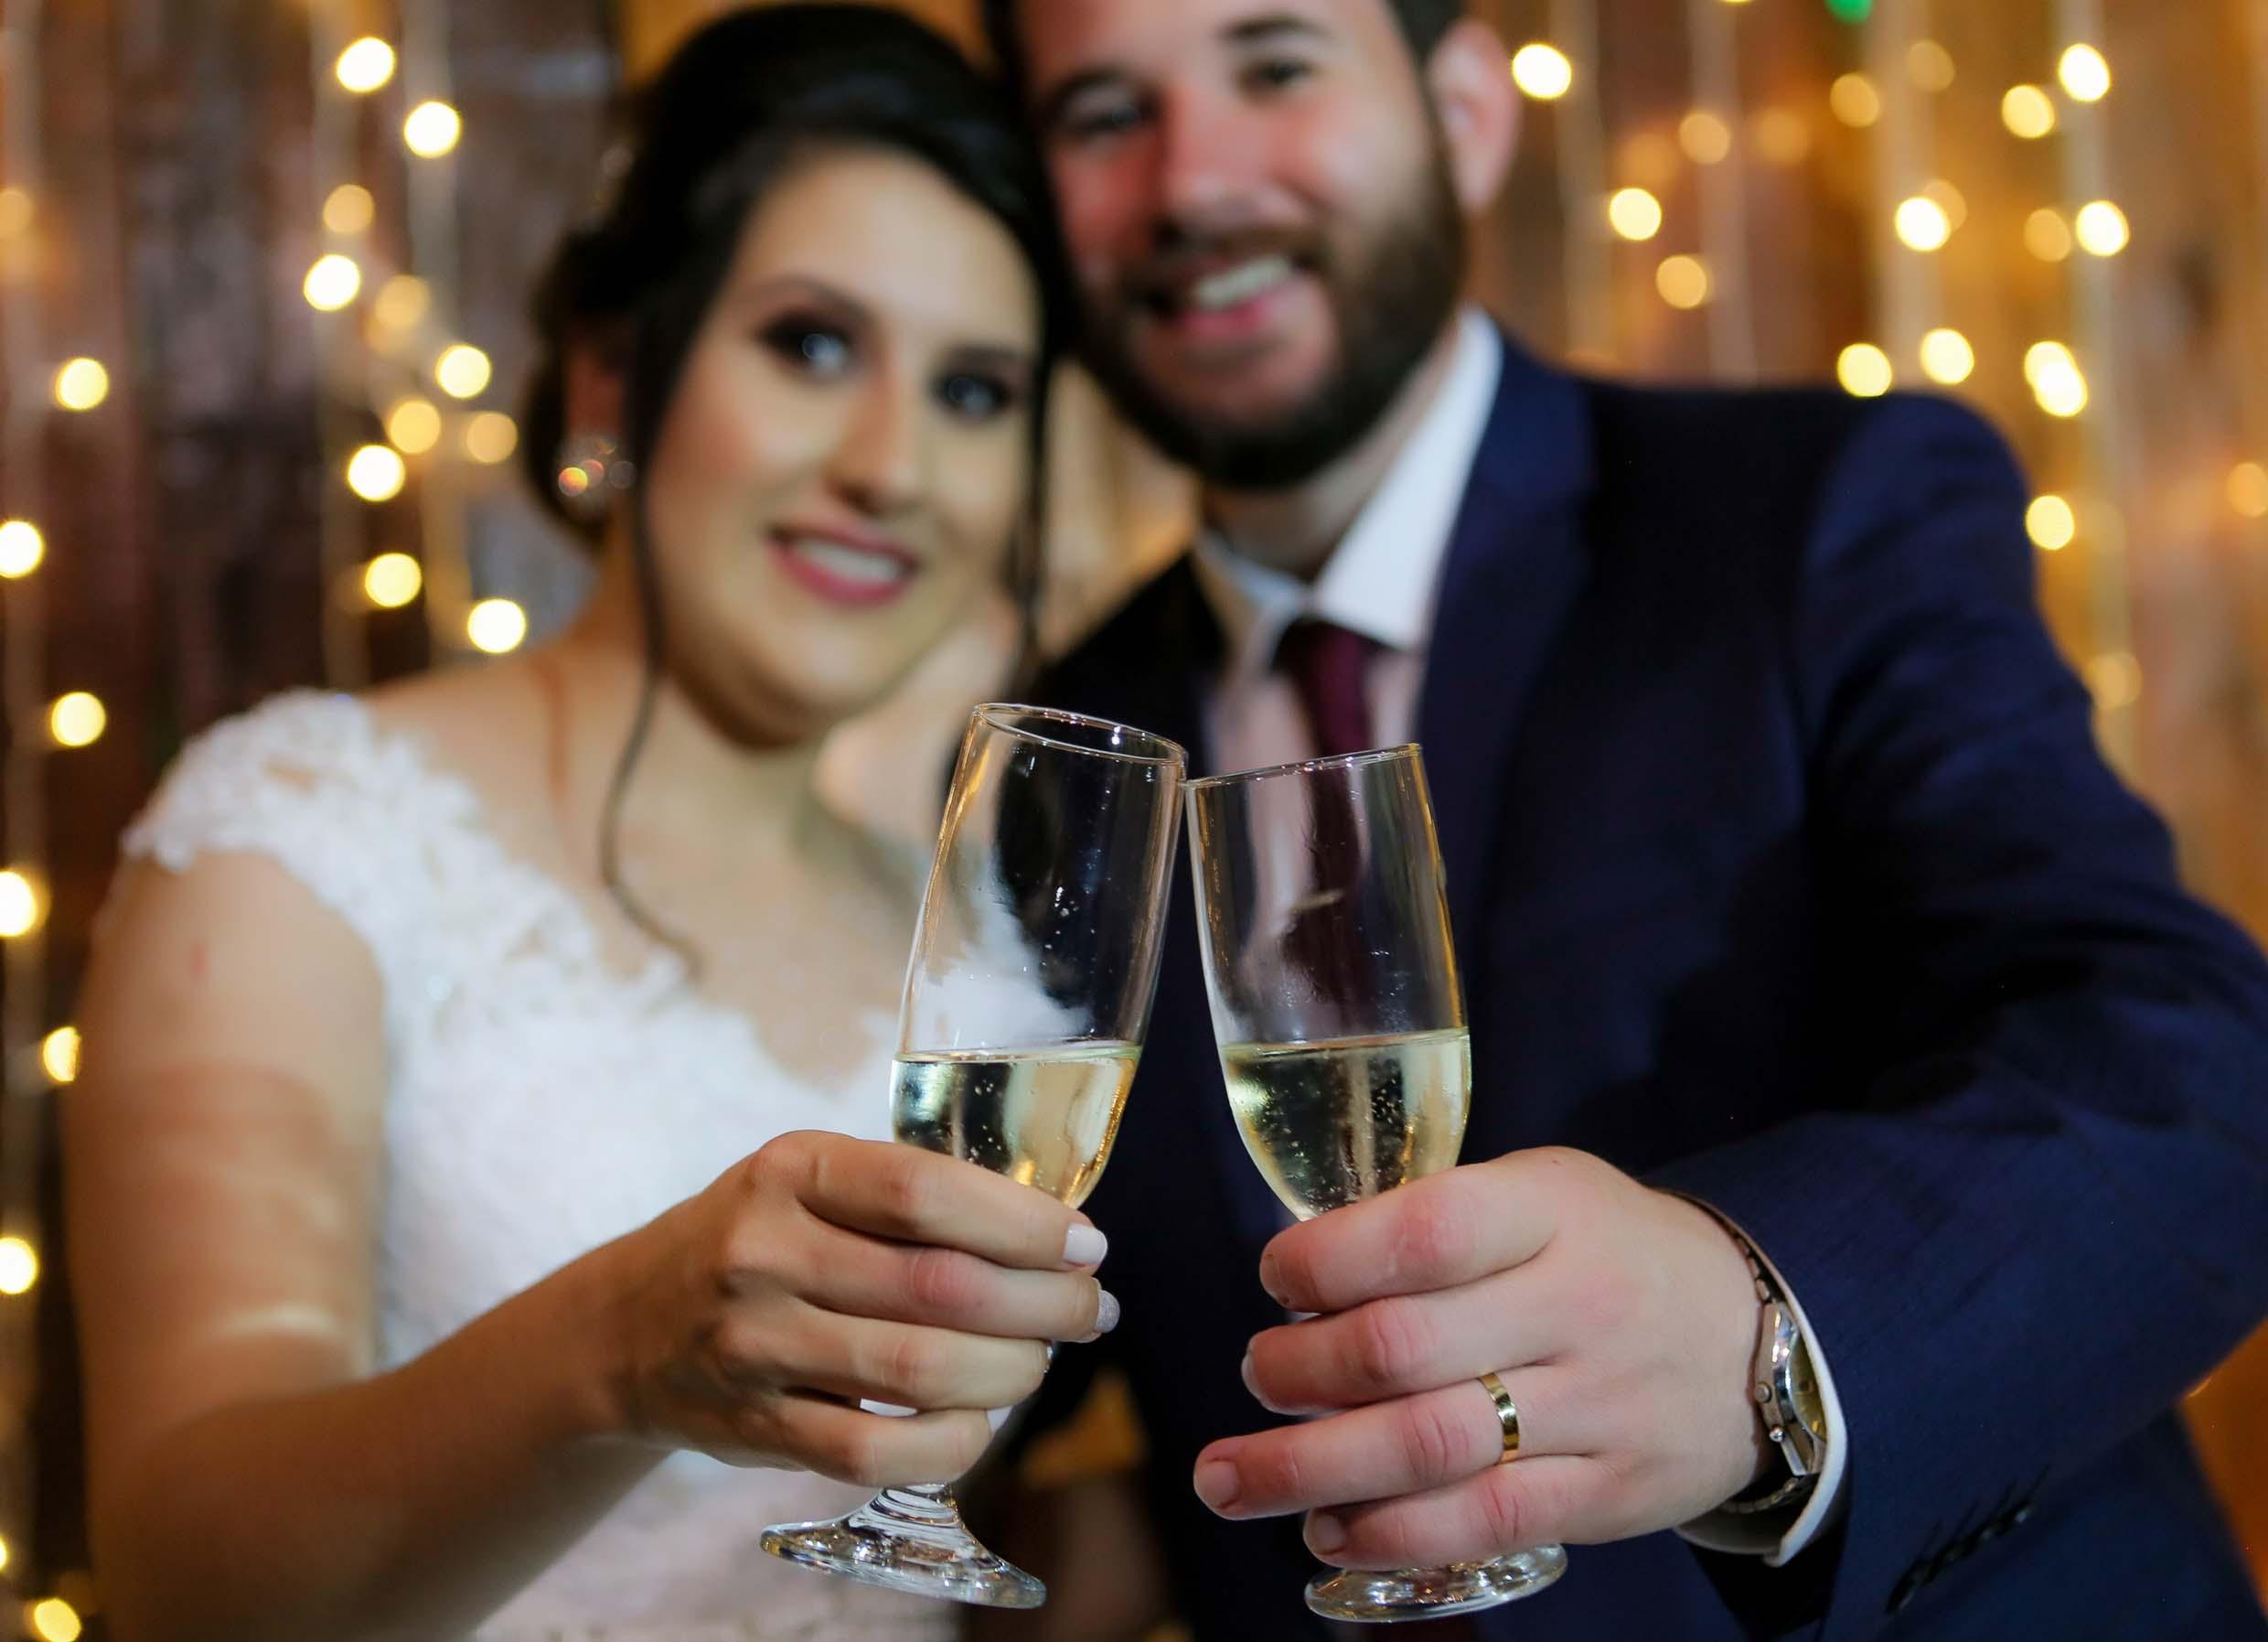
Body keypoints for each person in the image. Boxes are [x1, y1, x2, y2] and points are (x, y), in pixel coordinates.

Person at [985, 0, 2268, 1637]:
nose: (1193, 181)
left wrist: (1765, 1330)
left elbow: (2192, 1060)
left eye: (1277, 66)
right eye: (1105, 115)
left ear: (1464, 110)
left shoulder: (1822, 511)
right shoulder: (1064, 749)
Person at [64, 10, 1118, 1640]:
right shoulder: (300, 843)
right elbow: (178, 1584)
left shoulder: (977, 942)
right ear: (614, 373)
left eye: (975, 391)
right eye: (811, 345)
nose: (894, 467)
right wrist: (618, 1354)